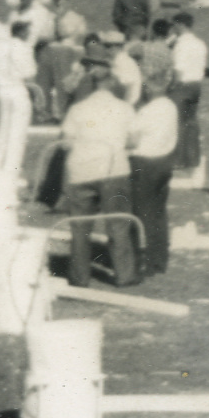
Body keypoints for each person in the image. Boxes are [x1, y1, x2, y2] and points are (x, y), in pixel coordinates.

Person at [59, 67, 139, 288]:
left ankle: (79, 277)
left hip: (80, 171)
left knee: (79, 227)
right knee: (118, 225)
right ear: (112, 83)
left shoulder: (77, 108)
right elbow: (133, 142)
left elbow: (66, 142)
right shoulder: (125, 108)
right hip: (113, 170)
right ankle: (125, 275)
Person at [127, 70, 179, 278]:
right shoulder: (170, 107)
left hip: (144, 162)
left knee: (142, 213)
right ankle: (160, 259)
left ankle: (145, 261)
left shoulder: (147, 111)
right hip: (164, 161)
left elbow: (131, 140)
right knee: (158, 212)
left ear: (149, 88)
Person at [0, 19, 37, 181]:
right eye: (27, 31)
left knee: (3, 128)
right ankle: (11, 170)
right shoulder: (24, 48)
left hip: (2, 90)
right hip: (17, 89)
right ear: (21, 32)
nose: (29, 34)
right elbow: (30, 72)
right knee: (18, 131)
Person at [169, 13, 208, 172]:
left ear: (180, 25)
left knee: (177, 122)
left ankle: (178, 159)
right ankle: (193, 158)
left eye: (174, 25)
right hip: (196, 85)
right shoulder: (200, 43)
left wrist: (171, 87)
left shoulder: (181, 45)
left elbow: (178, 71)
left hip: (182, 86)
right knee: (191, 122)